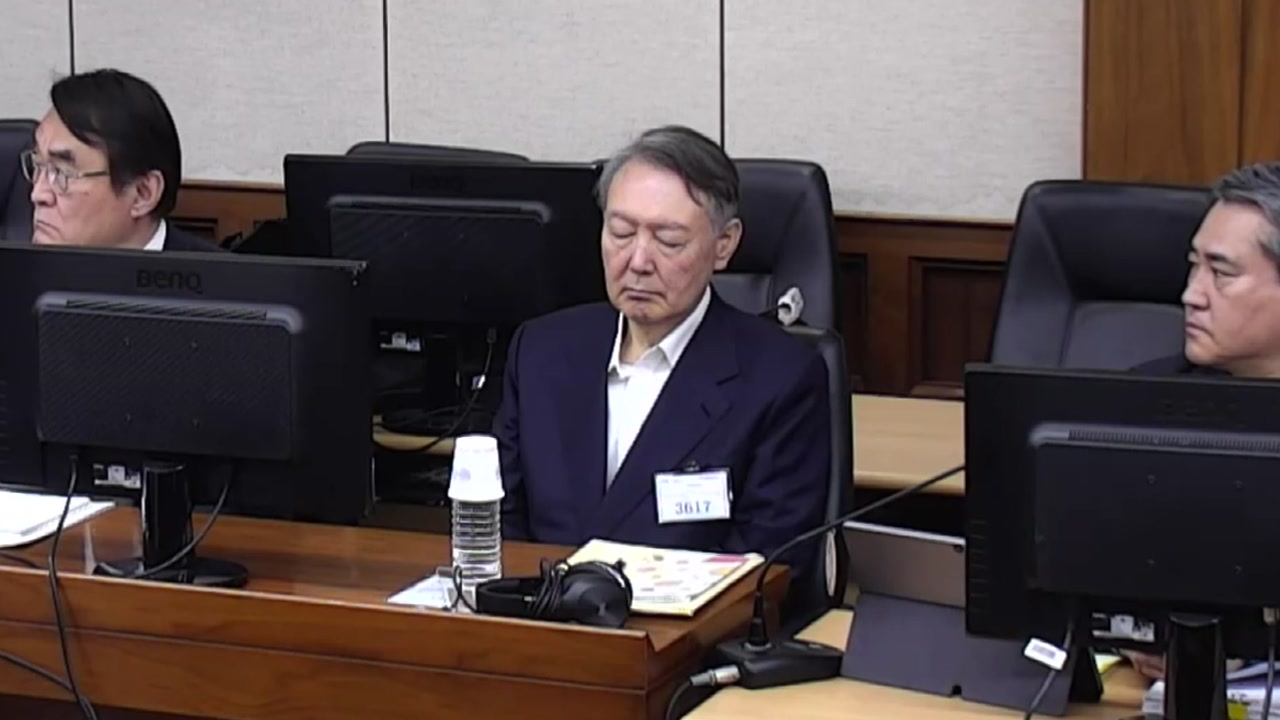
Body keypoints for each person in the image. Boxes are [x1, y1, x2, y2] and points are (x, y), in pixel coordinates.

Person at [493, 125, 830, 586]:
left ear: (724, 244)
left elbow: (767, 565)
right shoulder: (541, 352)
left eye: (668, 241)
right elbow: (500, 520)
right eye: (621, 233)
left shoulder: (780, 378)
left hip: (686, 625)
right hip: (540, 615)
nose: (637, 261)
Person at [1124, 161, 1280, 680]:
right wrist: (1135, 629)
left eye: (1221, 273)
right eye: (1194, 267)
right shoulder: (1146, 398)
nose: (1191, 294)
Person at [23, 68, 216, 252]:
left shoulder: (220, 275)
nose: (37, 194)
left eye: (62, 173)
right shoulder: (16, 270)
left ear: (142, 194)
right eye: (37, 165)